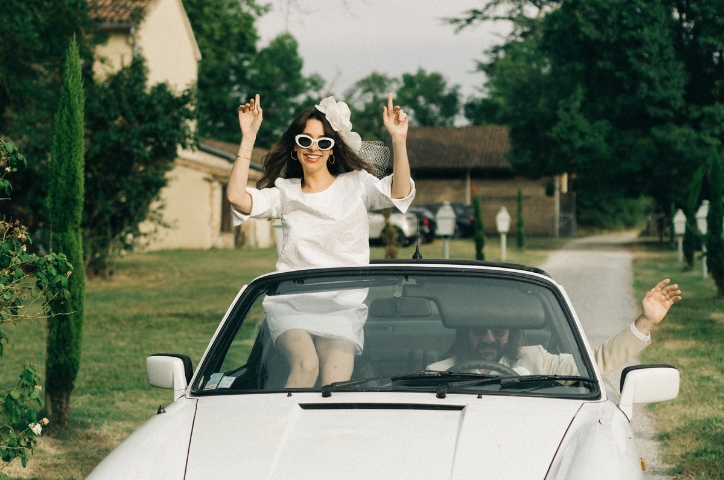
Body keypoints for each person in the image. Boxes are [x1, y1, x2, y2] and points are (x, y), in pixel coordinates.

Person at [227, 93, 414, 388]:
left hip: (342, 307)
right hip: (293, 305)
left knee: (335, 387)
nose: (313, 148)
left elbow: (400, 193)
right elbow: (237, 197)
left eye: (323, 142)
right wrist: (248, 136)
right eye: (305, 141)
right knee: (306, 366)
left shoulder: (357, 185)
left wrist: (399, 140)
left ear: (332, 151)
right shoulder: (285, 192)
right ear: (295, 148)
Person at [428, 279, 682, 377]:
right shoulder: (437, 373)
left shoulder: (538, 359)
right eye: (479, 331)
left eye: (499, 330)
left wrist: (645, 321)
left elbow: (595, 363)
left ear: (512, 332)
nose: (490, 338)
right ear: (465, 333)